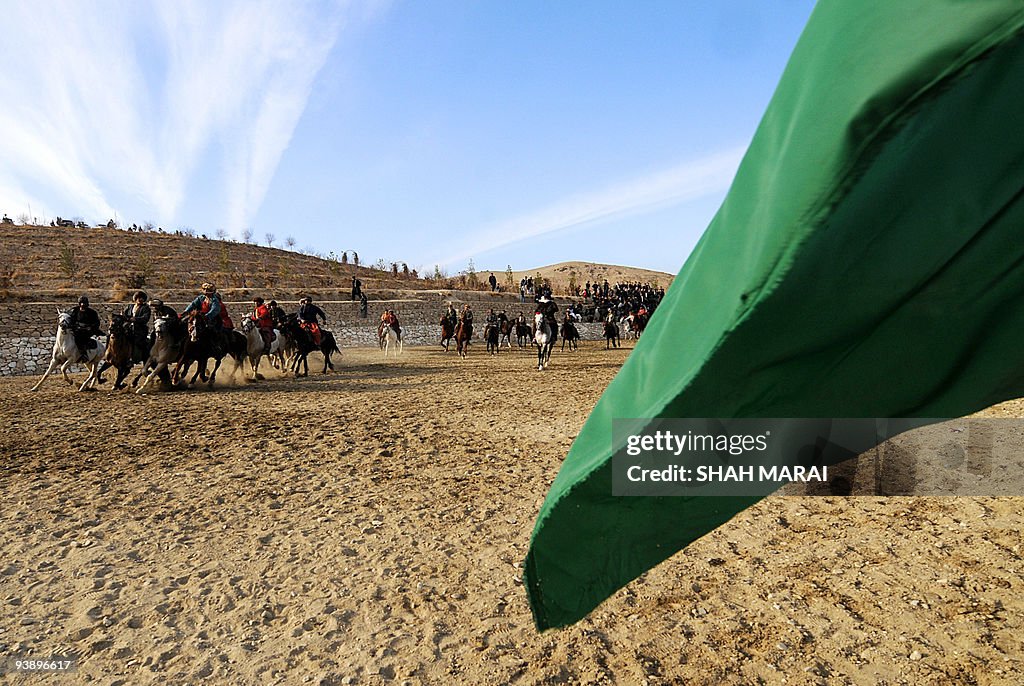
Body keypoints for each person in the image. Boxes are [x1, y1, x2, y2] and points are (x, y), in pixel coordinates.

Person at [67, 295, 101, 361]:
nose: (83, 304)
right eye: (81, 303)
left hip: (87, 331)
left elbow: (96, 323)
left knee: (79, 338)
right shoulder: (74, 311)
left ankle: (83, 354)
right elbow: (70, 320)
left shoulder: (92, 313)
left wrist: (90, 328)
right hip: (76, 329)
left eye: (84, 303)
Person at [122, 290, 151, 357]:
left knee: (136, 342)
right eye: (139, 298)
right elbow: (125, 315)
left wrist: (136, 319)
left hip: (139, 330)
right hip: (128, 328)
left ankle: (135, 356)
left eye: (142, 298)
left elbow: (145, 318)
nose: (140, 299)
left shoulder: (146, 308)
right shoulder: (130, 306)